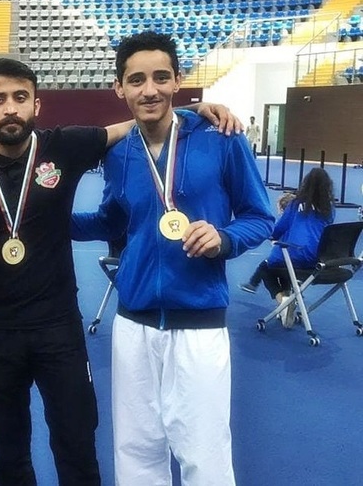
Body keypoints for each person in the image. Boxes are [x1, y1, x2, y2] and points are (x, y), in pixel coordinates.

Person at [0, 57, 240, 485]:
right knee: (8, 449)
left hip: (58, 328)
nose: (11, 109)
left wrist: (193, 110)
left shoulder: (66, 146)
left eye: (20, 97)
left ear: (36, 104)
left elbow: (137, 121)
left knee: (76, 444)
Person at [71, 32, 273, 486]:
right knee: (136, 450)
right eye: (137, 80)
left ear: (178, 80)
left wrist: (224, 237)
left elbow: (261, 217)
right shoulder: (119, 153)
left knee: (204, 452)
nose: (150, 90)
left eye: (161, 77)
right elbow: (111, 220)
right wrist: (50, 221)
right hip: (134, 321)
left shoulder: (221, 137)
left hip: (199, 321)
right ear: (119, 87)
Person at [241, 168, 335, 328]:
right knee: (284, 264)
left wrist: (271, 236)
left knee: (268, 267)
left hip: (295, 254)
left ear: (306, 184)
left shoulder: (296, 204)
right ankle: (288, 301)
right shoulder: (329, 209)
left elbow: (280, 228)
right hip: (318, 259)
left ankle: (283, 302)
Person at [239, 191, 296, 294]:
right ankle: (288, 292)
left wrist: (268, 235)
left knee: (264, 266)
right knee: (284, 273)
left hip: (288, 255)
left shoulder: (286, 220)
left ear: (282, 209)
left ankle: (253, 284)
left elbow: (275, 233)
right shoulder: (300, 222)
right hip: (297, 256)